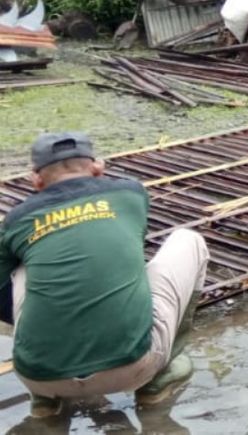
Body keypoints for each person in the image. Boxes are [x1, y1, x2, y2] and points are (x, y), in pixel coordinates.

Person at [0, 133, 210, 417]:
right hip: (131, 369)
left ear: (35, 180)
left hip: (39, 376)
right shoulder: (130, 194)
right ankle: (159, 376)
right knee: (188, 240)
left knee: (25, 263)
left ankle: (47, 401)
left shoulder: (17, 220)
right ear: (97, 167)